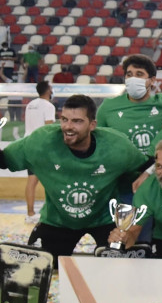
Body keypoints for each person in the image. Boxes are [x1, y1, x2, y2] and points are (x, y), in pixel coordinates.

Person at [0, 95, 150, 265]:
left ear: (92, 125)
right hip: (57, 221)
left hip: (105, 219)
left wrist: (131, 226)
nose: (68, 127)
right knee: (34, 269)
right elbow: (5, 160)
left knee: (122, 267)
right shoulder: (41, 141)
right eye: (64, 119)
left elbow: (147, 170)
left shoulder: (116, 146)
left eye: (77, 121)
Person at [95, 55, 162, 156]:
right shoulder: (107, 107)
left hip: (158, 169)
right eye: (129, 74)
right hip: (123, 169)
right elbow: (97, 142)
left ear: (152, 80)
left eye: (139, 74)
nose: (133, 79)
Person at [23, 81, 56, 223]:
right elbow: (49, 128)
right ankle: (52, 213)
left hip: (28, 144)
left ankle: (30, 214)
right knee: (52, 180)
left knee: (32, 180)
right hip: (42, 146)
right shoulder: (48, 106)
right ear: (48, 90)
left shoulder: (30, 105)